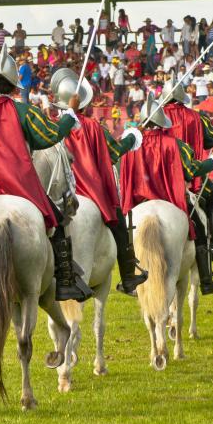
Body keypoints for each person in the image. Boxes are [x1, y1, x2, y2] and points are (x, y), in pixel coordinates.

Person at [0, 44, 92, 302]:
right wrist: (69, 114)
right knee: (57, 218)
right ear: (15, 87)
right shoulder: (25, 112)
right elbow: (50, 135)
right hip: (20, 186)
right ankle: (64, 279)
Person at [51, 68, 147, 296]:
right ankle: (128, 277)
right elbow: (114, 152)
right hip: (91, 190)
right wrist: (131, 137)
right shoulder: (93, 127)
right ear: (82, 103)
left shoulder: (54, 126)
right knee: (120, 226)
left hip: (60, 191)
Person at [118, 94, 213, 294]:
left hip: (138, 201)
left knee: (122, 232)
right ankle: (207, 277)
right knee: (199, 227)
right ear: (162, 123)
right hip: (169, 198)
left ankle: (128, 277)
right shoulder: (176, 145)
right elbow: (191, 171)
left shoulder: (131, 147)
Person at [159, 79, 213, 262]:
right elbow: (211, 140)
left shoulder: (156, 116)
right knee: (212, 197)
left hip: (160, 177)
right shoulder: (196, 117)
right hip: (192, 178)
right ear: (182, 98)